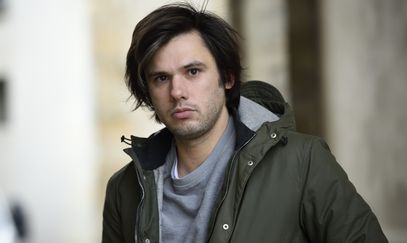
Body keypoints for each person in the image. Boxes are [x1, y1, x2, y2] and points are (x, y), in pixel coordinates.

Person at [102, 3, 388, 243]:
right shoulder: (123, 189)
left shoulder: (304, 162)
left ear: (227, 78)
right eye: (161, 78)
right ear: (148, 92)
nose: (177, 91)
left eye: (192, 71)